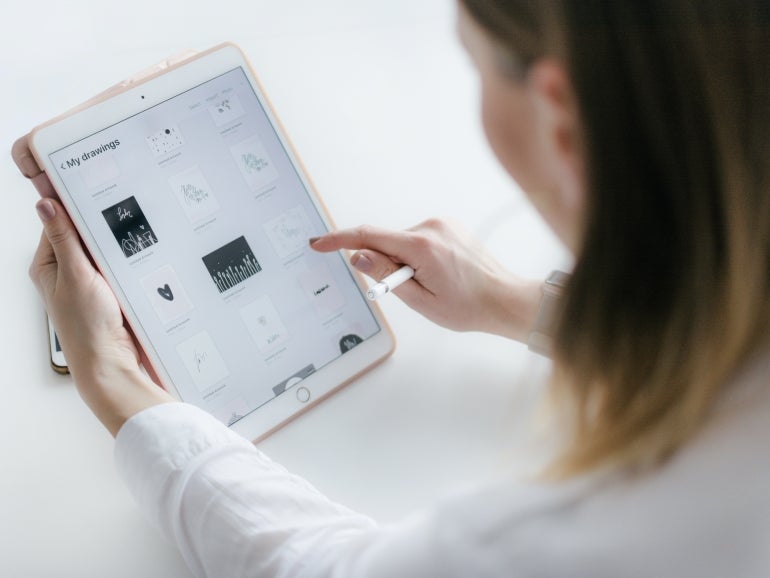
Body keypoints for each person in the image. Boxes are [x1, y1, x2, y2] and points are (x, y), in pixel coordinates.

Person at [16, 0, 770, 575]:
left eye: (473, 64)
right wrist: (518, 304)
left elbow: (326, 568)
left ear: (561, 120)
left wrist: (115, 380)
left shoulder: (575, 536)